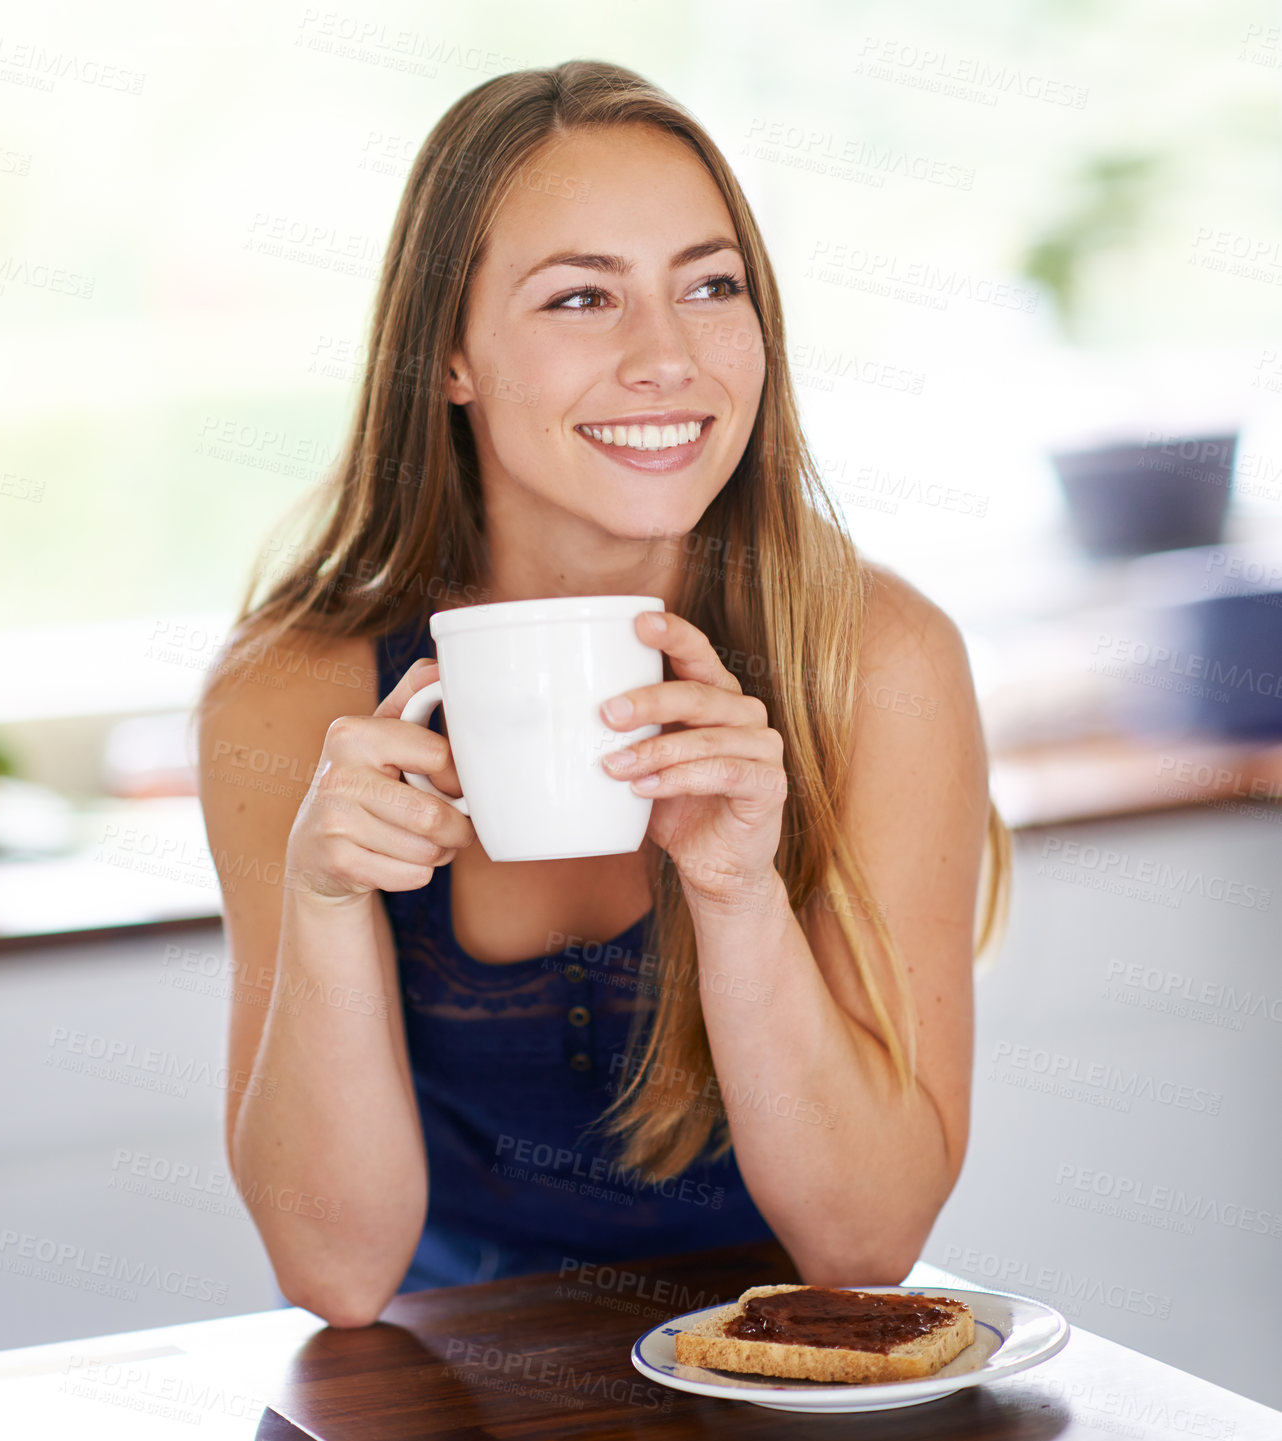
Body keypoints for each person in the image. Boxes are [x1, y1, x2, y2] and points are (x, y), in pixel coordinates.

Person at [193, 59, 1010, 1327]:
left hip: (774, 1378)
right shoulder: (291, 695)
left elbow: (867, 1244)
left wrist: (738, 892)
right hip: (444, 1394)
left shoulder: (878, 664)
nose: (668, 358)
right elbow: (336, 1274)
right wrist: (327, 898)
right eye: (582, 296)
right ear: (449, 357)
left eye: (711, 285)